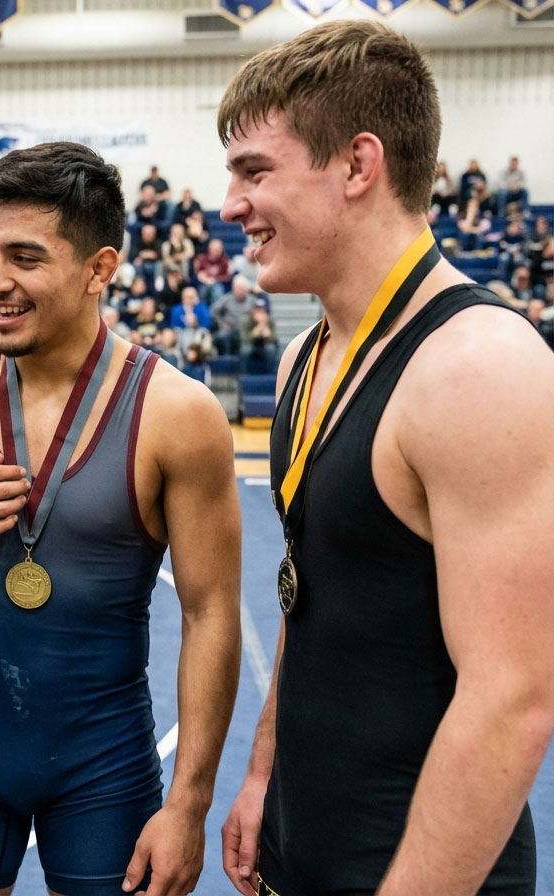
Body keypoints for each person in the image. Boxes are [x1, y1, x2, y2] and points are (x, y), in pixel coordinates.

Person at [215, 20, 554, 896]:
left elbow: (510, 702)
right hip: (302, 844)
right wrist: (263, 774)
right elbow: (310, 593)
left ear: (358, 166)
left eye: (256, 172)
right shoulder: (306, 359)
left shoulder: (481, 369)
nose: (229, 205)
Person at [0, 141, 241, 896]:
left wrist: (189, 804)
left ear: (100, 268)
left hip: (104, 761)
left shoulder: (177, 415)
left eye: (24, 258)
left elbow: (211, 611)